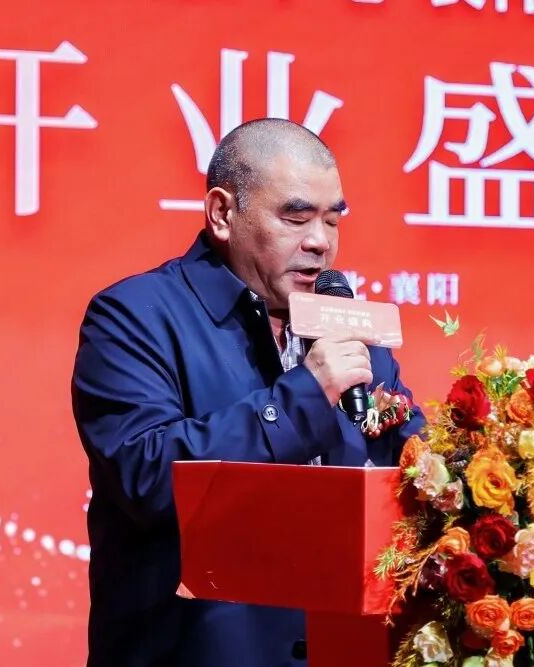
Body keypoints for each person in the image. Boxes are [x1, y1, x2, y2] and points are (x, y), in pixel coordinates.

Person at [71, 118, 426, 667]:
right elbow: (147, 476)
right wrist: (305, 397)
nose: (320, 241)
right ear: (222, 213)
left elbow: (414, 470)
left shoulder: (346, 332)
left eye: (333, 220)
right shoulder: (133, 317)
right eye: (296, 217)